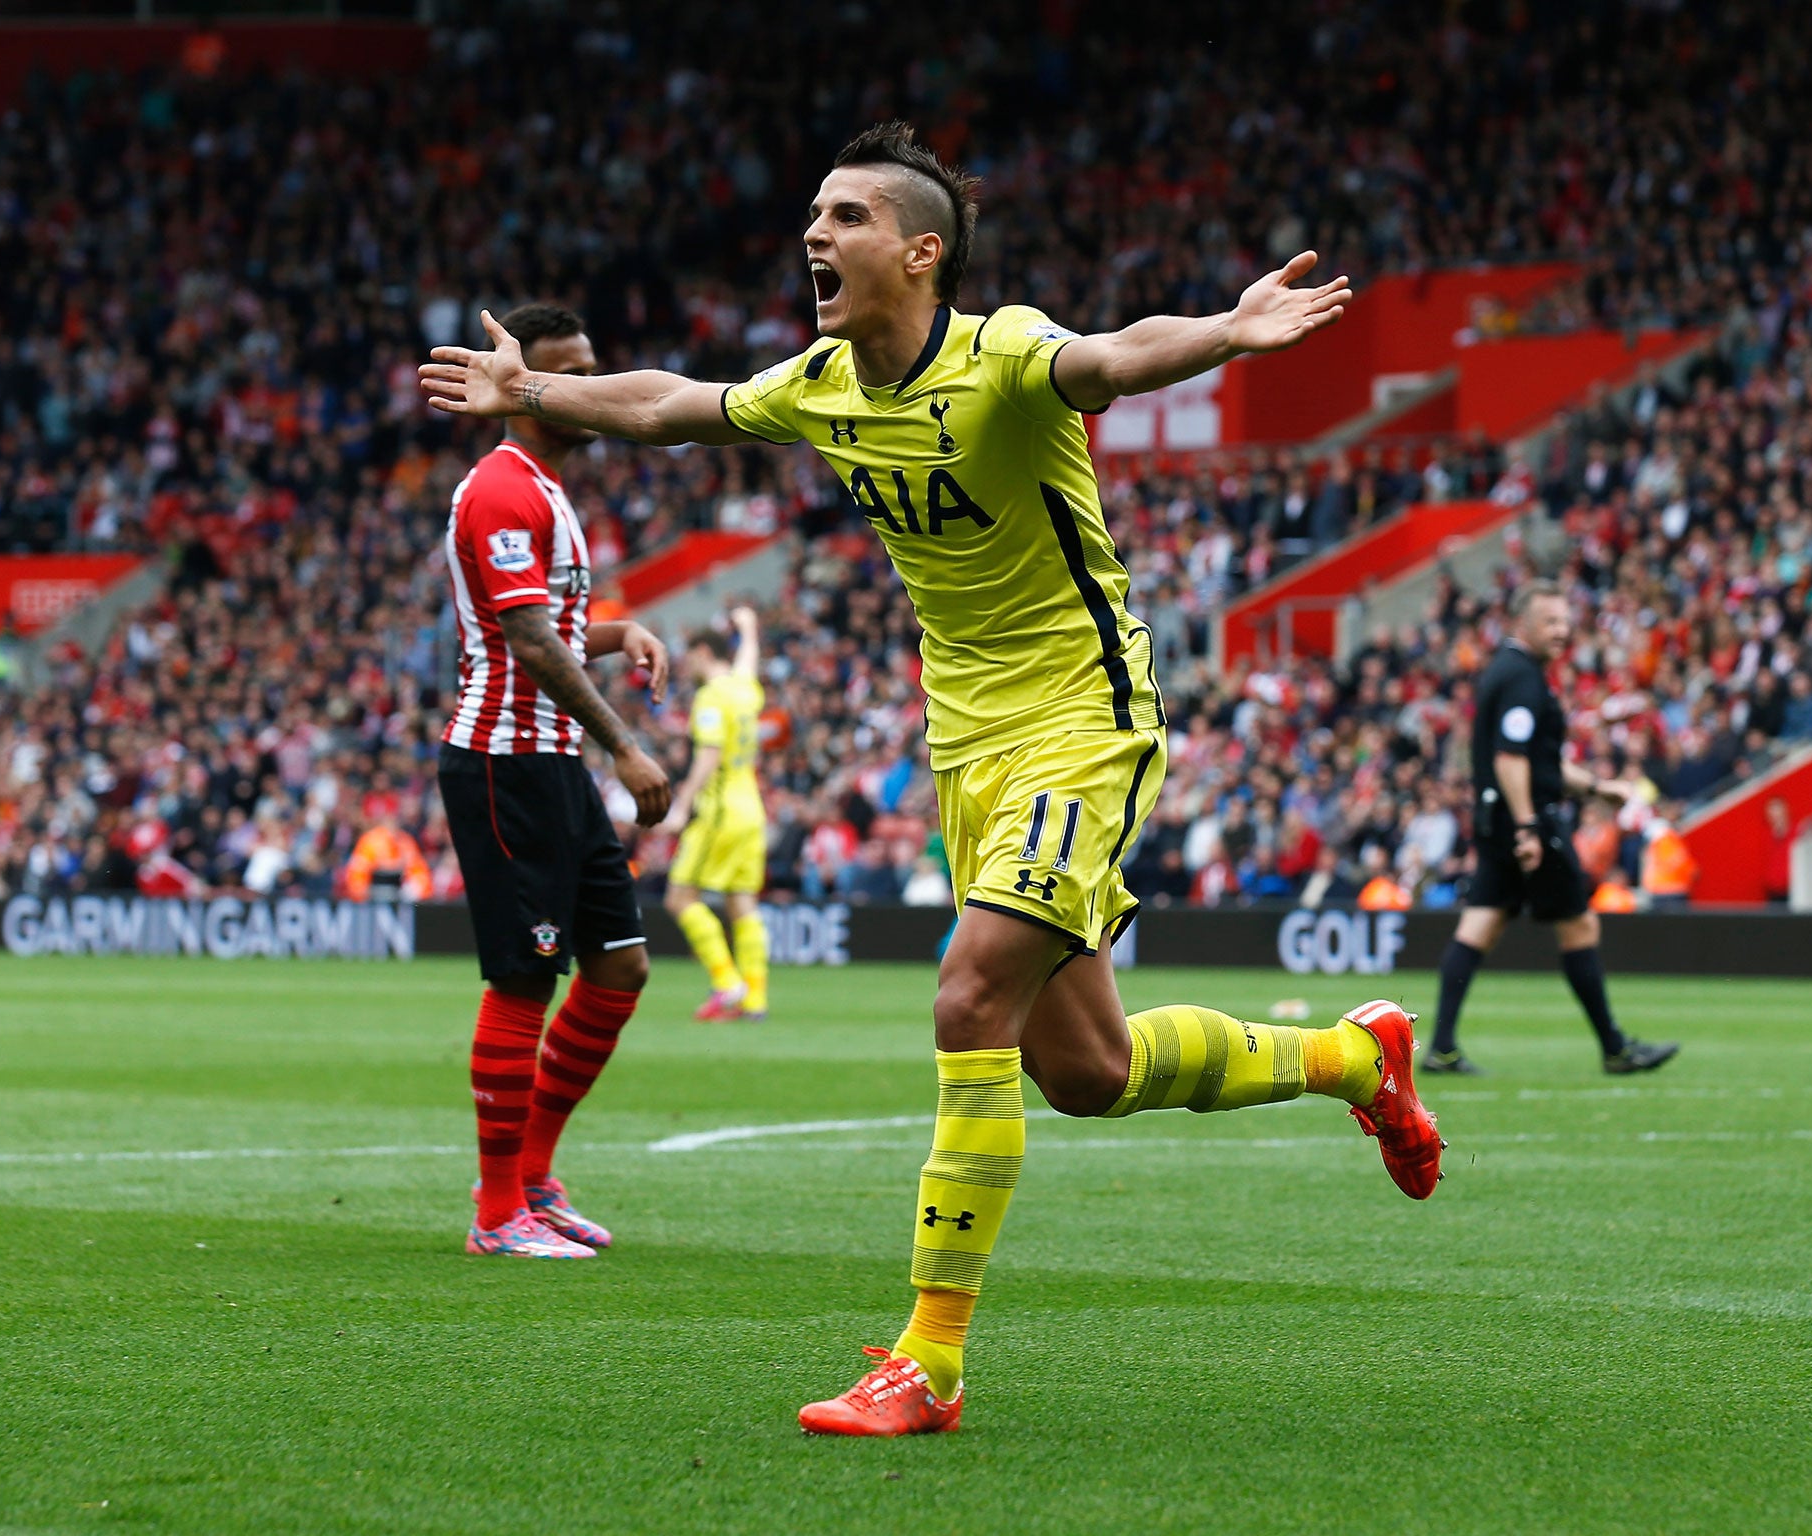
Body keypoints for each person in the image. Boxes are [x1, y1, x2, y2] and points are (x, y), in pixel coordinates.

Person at [422, 122, 1442, 1436]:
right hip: (963, 746)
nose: (815, 235)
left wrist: (1228, 334)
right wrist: (539, 396)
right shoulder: (824, 380)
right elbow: (675, 406)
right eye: (812, 214)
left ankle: (931, 1361)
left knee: (968, 1000)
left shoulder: (1003, 352)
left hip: (1083, 718)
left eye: (843, 216)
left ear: (921, 250)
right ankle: (1359, 1059)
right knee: (1088, 1071)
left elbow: (1113, 357)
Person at [434, 302, 675, 1260]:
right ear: (519, 382)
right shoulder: (500, 489)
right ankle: (498, 1214)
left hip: (551, 763)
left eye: (589, 366)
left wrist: (620, 633)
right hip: (504, 763)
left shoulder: (549, 484)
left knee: (620, 967)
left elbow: (553, 625)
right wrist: (624, 743)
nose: (584, 385)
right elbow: (527, 641)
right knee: (526, 978)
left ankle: (536, 1177)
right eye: (565, 371)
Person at [1421, 581, 1679, 1078]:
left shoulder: (1509, 670)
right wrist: (1528, 828)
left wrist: (1596, 788)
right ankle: (1615, 1049)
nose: (1562, 631)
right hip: (1528, 820)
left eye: (1565, 621)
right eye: (1550, 622)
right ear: (1523, 624)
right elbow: (1511, 759)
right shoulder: (1522, 679)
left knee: (1480, 924)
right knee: (1580, 925)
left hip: (1497, 818)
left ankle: (1442, 1048)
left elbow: (1539, 762)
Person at [662, 606, 771, 1021]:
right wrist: (748, 628)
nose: (687, 664)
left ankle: (727, 984)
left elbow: (708, 757)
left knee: (679, 896)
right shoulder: (744, 690)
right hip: (752, 810)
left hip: (721, 811)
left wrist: (681, 806)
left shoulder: (711, 697)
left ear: (704, 651)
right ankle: (755, 1000)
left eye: (690, 655)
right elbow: (747, 662)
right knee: (742, 902)